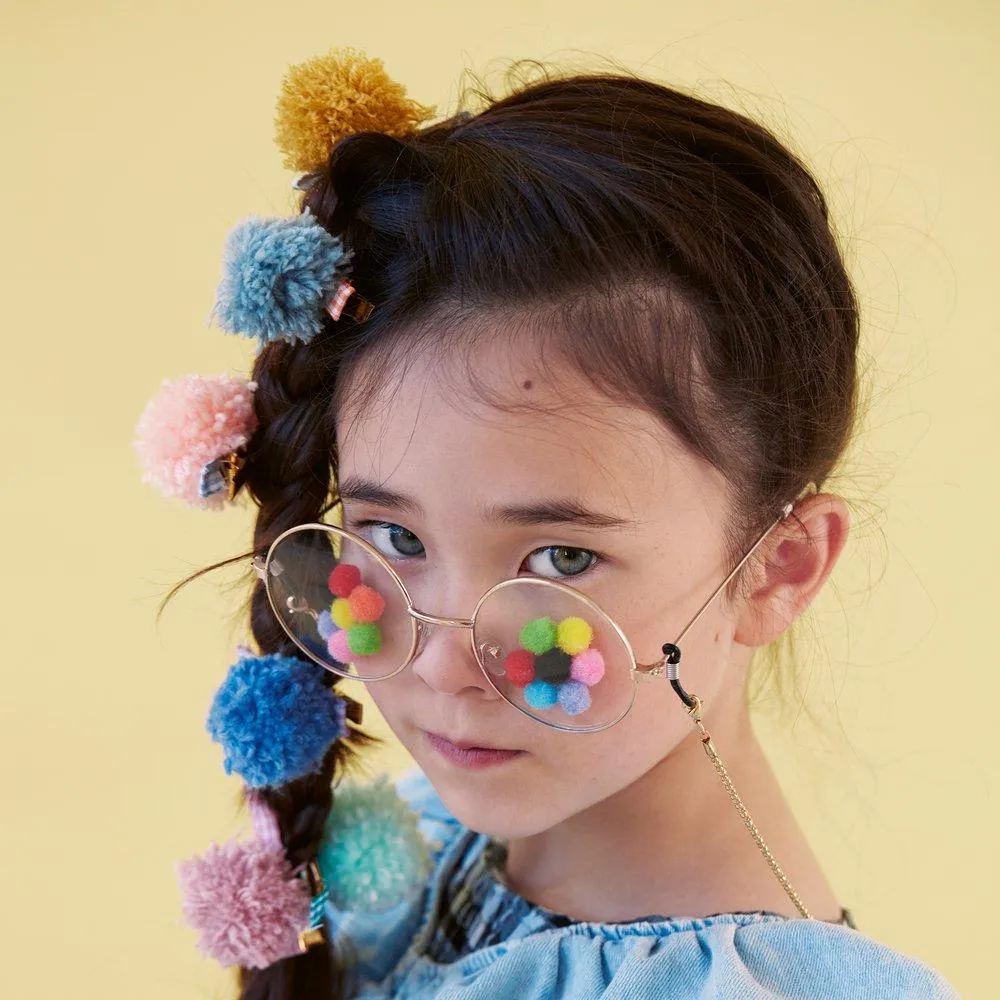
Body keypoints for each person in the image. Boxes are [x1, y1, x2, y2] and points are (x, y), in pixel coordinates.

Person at [139, 49, 960, 999]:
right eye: (395, 539)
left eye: (562, 558)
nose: (442, 665)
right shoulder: (410, 852)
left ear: (778, 568)